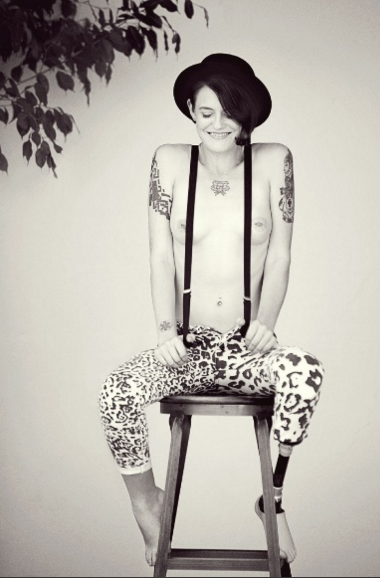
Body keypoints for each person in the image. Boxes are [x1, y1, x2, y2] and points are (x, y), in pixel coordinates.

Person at [98, 53, 325, 568]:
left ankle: (273, 498)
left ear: (247, 114)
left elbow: (281, 254)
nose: (217, 123)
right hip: (189, 349)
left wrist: (266, 323)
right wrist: (165, 332)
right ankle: (146, 502)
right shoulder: (169, 162)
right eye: (205, 112)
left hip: (248, 349)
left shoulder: (275, 161)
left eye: (229, 111)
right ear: (190, 111)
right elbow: (159, 255)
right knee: (116, 393)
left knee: (306, 373)